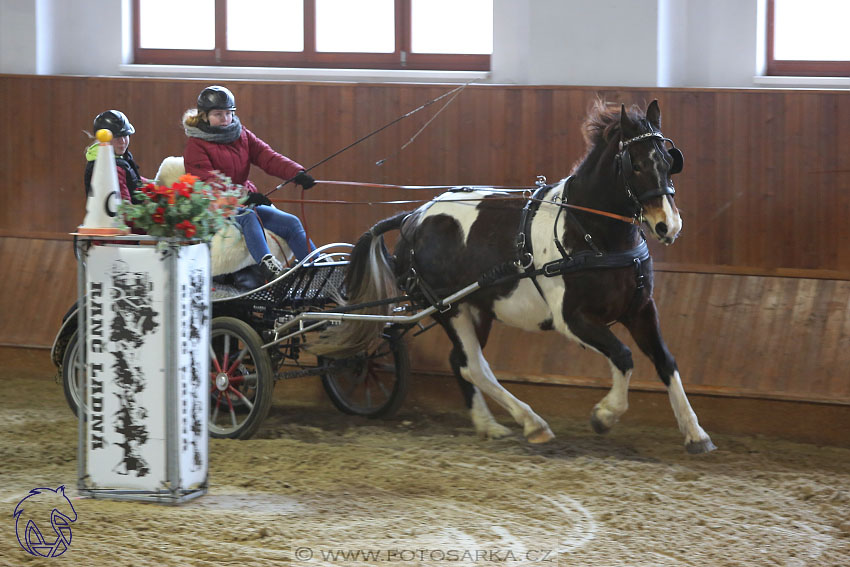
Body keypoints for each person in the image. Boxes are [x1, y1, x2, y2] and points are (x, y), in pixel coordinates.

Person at [182, 85, 316, 280]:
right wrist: (243, 196)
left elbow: (267, 156)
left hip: (241, 202)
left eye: (229, 113)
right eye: (218, 114)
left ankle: (316, 266)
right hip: (213, 206)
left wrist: (296, 172)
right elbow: (207, 183)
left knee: (291, 222)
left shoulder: (241, 134)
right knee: (247, 215)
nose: (225, 119)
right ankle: (268, 266)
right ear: (203, 116)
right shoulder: (196, 145)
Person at [84, 110, 147, 203]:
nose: (122, 141)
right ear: (102, 140)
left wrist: (154, 185)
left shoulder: (119, 158)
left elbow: (132, 179)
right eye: (117, 137)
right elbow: (124, 208)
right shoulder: (113, 168)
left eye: (125, 136)